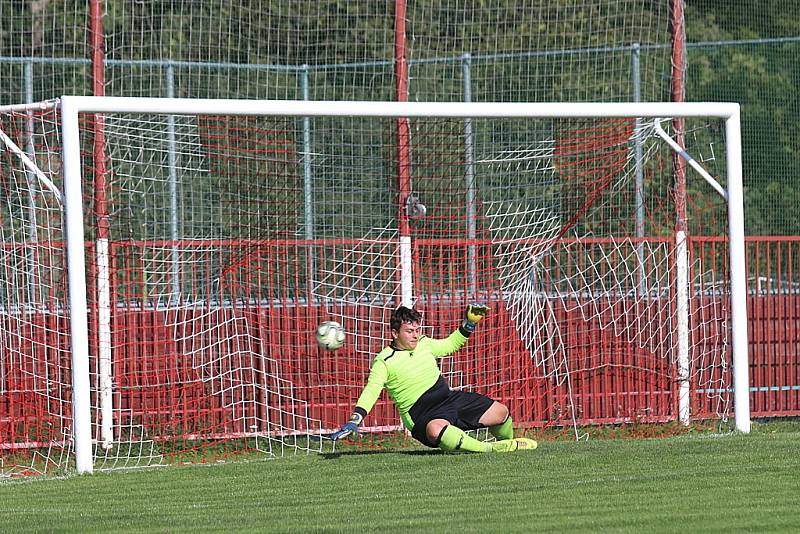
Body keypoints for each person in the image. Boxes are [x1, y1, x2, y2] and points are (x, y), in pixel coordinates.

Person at [329, 304, 537, 453]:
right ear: (394, 333)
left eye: (417, 330)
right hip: (422, 416)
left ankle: (512, 446)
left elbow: (450, 345)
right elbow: (371, 391)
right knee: (436, 430)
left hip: (448, 399)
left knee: (501, 411)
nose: (414, 335)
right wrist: (354, 420)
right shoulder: (384, 361)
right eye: (409, 331)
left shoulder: (424, 343)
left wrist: (470, 323)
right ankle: (490, 450)